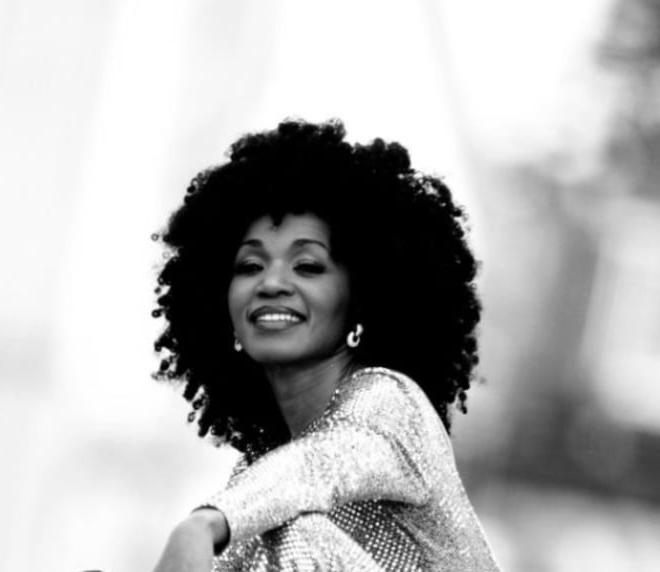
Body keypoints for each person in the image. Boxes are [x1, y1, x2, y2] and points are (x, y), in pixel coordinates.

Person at [151, 119, 501, 571]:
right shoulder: (259, 475)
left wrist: (203, 525)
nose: (271, 283)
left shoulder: (391, 405)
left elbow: (316, 470)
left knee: (288, 526)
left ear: (362, 298)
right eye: (250, 265)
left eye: (308, 266)